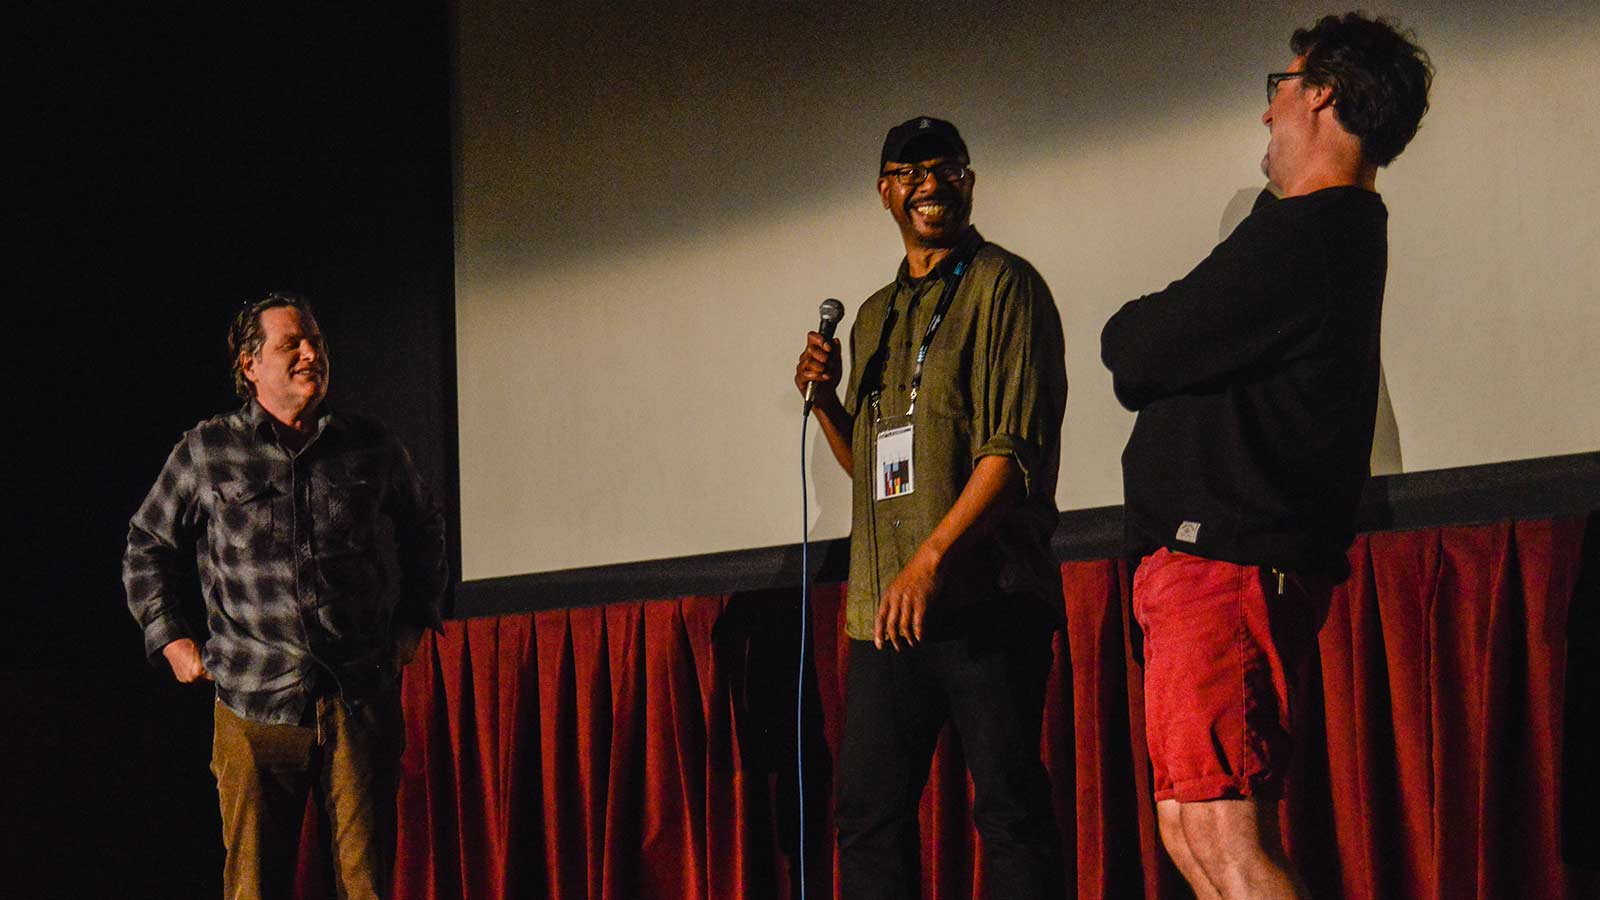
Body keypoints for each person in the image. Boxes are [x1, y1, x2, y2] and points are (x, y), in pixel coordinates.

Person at [1100, 14, 1432, 900]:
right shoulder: (1305, 233)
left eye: (1279, 87)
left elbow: (1136, 347)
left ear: (1321, 92)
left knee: (1226, 833)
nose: (1268, 111)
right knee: (1191, 827)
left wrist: (1149, 332)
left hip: (1226, 569)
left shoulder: (1311, 233)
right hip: (1203, 570)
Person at [795, 116, 1068, 900]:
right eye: (909, 172)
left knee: (1009, 813)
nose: (929, 185)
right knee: (868, 816)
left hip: (987, 599)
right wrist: (824, 406)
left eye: (945, 168)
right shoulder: (877, 315)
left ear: (970, 182)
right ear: (885, 192)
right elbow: (874, 471)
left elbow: (1011, 454)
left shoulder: (1002, 285)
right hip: (890, 609)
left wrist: (931, 559)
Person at [123, 293, 449, 900]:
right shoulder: (208, 450)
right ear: (250, 365)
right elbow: (146, 544)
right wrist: (170, 639)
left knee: (366, 885)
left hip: (358, 701)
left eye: (316, 342)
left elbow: (425, 523)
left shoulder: (369, 445)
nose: (310, 353)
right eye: (291, 344)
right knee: (253, 887)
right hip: (252, 704)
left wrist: (413, 621)